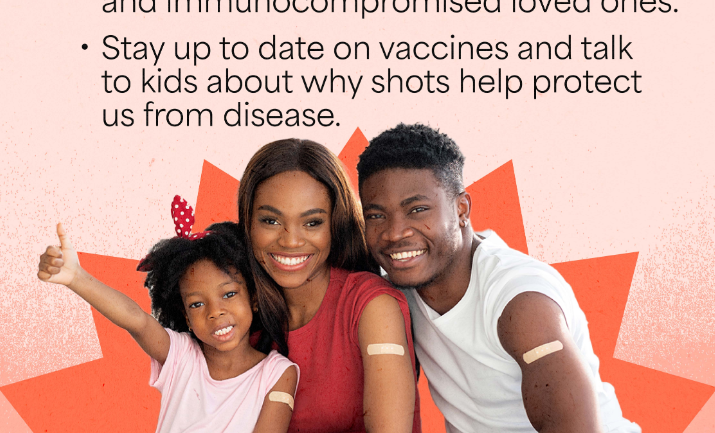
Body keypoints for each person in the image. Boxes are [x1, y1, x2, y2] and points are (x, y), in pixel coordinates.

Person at [357, 123, 640, 433]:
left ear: (461, 209)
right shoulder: (393, 290)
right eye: (376, 215)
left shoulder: (520, 299)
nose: (395, 233)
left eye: (418, 209)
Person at [36, 199, 298, 433]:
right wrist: (77, 278)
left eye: (228, 294)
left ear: (253, 298)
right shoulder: (181, 357)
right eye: (196, 304)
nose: (215, 312)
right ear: (184, 315)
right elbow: (136, 320)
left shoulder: (277, 374)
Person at [238, 138, 421, 433]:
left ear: (335, 225)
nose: (290, 241)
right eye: (271, 221)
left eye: (312, 223)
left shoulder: (371, 305)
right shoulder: (238, 317)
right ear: (247, 223)